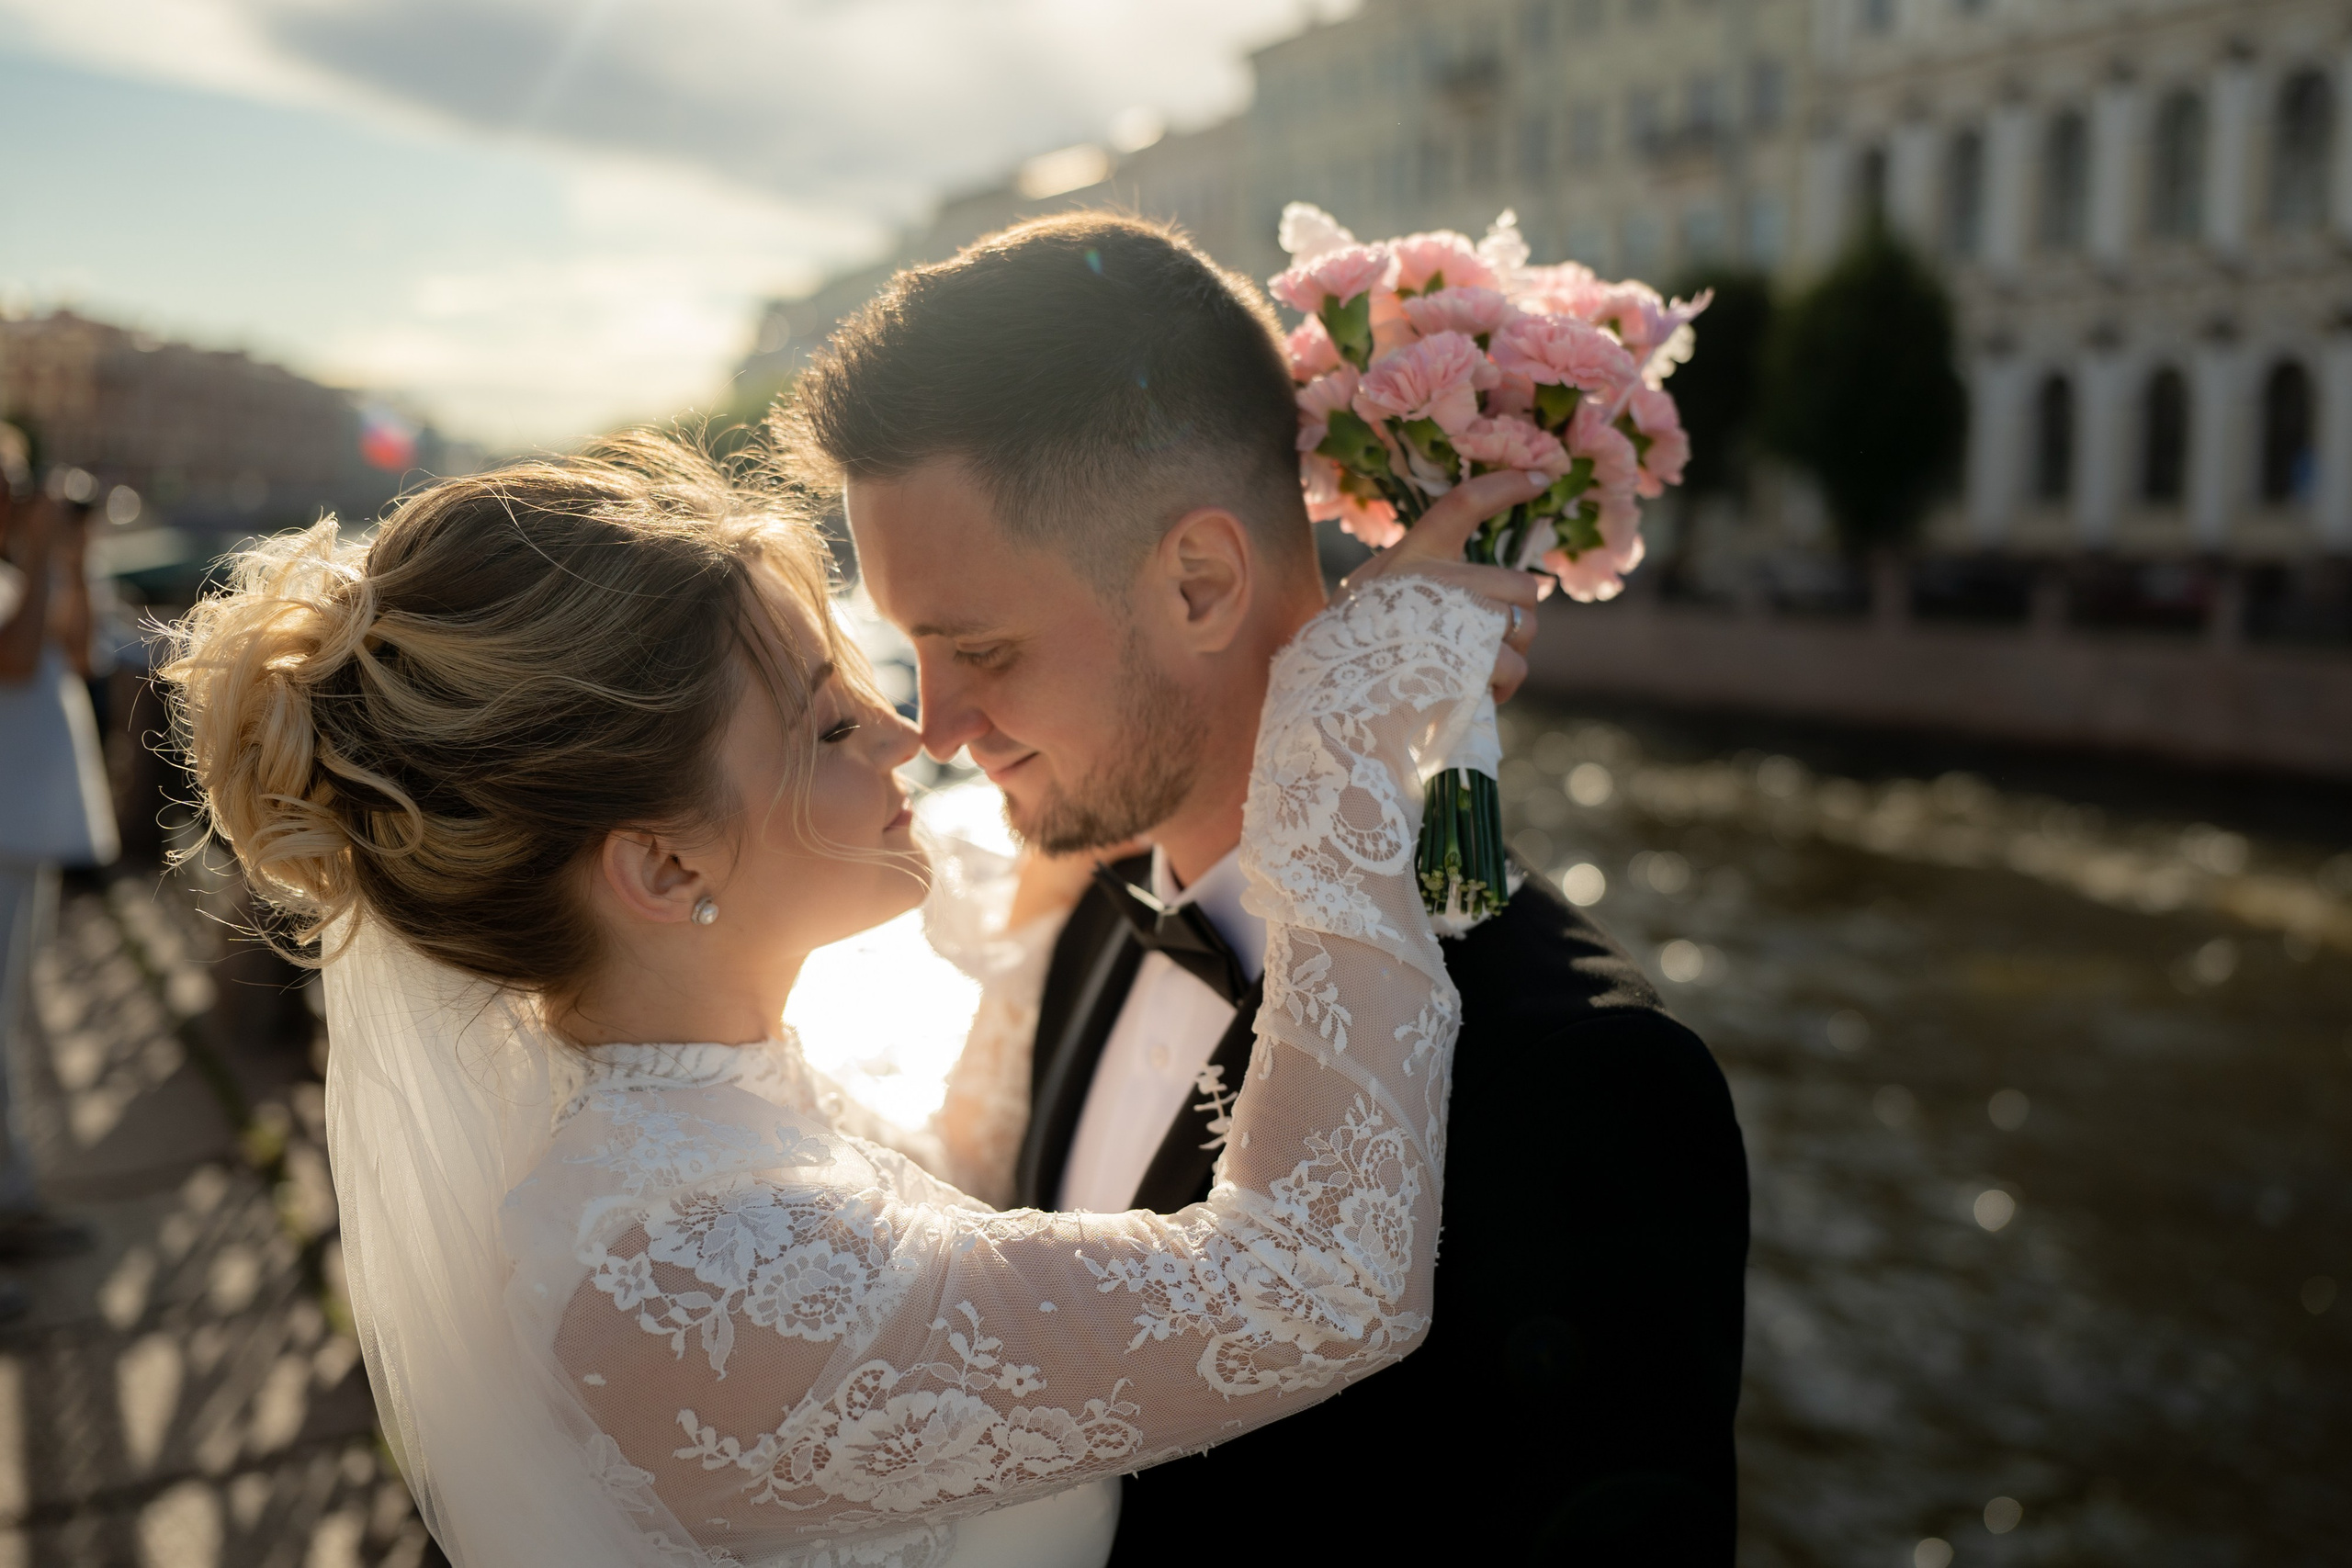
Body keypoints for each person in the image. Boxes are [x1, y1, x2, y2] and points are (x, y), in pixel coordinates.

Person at [160, 431, 1538, 1567]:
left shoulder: (697, 1120)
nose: (913, 734)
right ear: (660, 860)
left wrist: (1118, 782)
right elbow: (1319, 1281)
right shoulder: (683, 1285)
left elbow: (963, 1195)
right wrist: (1331, 737)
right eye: (829, 722)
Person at [789, 213, 1752, 1562]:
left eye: (980, 648)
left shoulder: (1582, 1072)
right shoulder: (1078, 910)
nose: (935, 725)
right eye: (914, 652)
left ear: (1199, 580)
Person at [0, 447, 119, 1275]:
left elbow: (79, 652)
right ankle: (10, 1207)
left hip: (27, 833)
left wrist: (71, 559)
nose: (21, 496)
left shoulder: (18, 569)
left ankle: (15, 1198)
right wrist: (40, 551)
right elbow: (11, 663)